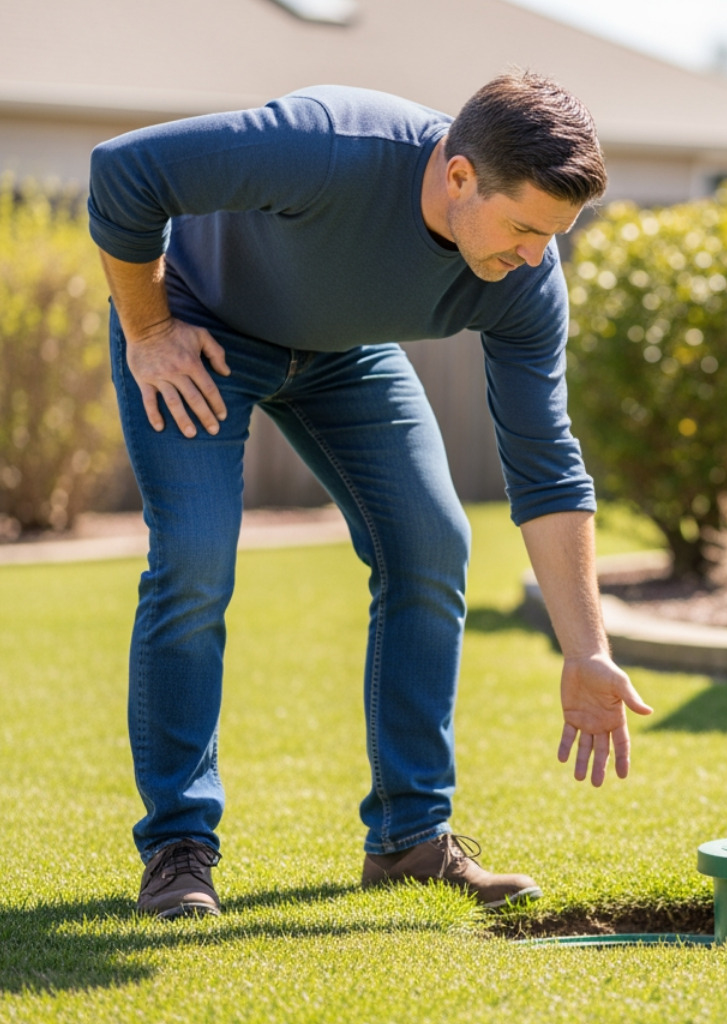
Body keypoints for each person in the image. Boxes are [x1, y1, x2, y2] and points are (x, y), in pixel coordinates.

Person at [87, 72, 652, 920]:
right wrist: (149, 327)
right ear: (459, 176)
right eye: (525, 228)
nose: (537, 257)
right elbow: (124, 172)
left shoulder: (526, 279)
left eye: (554, 236)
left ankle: (410, 840)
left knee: (432, 544)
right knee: (195, 556)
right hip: (196, 328)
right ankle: (178, 848)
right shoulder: (329, 146)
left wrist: (586, 649)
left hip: (341, 357)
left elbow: (546, 465)